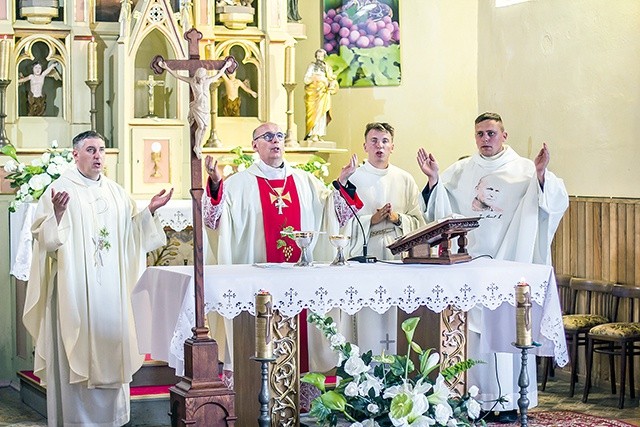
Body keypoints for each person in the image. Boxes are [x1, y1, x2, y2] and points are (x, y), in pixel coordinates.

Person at [417, 112, 568, 423]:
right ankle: (476, 401)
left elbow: (551, 202)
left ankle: (509, 401)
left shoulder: (525, 168)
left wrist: (541, 176)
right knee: (476, 337)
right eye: (480, 134)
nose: (485, 139)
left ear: (504, 135)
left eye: (491, 133)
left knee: (505, 334)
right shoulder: (461, 171)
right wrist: (434, 179)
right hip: (471, 268)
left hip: (510, 265)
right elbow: (441, 209)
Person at [22, 130, 173, 426]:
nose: (98, 156)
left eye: (101, 150)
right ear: (75, 154)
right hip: (73, 292)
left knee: (112, 347)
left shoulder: (117, 193)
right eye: (90, 150)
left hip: (112, 295)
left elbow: (132, 236)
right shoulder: (59, 189)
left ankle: (113, 421)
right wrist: (58, 214)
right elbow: (46, 243)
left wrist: (149, 212)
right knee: (74, 353)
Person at [202, 121, 360, 373]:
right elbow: (213, 222)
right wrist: (214, 183)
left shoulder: (306, 181)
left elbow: (333, 213)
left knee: (302, 339)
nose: (275, 140)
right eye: (267, 136)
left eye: (279, 136)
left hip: (300, 278)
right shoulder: (238, 184)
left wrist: (341, 182)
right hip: (256, 281)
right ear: (254, 145)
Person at [341, 122, 425, 354]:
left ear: (392, 147)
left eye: (385, 141)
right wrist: (371, 220)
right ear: (365, 145)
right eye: (374, 141)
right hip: (366, 255)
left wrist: (398, 218)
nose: (380, 146)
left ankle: (399, 367)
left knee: (396, 316)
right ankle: (364, 368)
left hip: (397, 257)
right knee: (368, 314)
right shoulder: (354, 178)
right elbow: (340, 224)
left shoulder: (405, 179)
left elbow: (421, 223)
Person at [159, 58, 233, 159]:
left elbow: (219, 74)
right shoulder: (192, 82)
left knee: (205, 127)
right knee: (201, 126)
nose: (201, 80)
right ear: (197, 77)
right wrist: (166, 67)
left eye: (202, 78)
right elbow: (177, 76)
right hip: (197, 107)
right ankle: (197, 146)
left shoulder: (207, 81)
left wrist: (226, 66)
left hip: (206, 107)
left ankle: (199, 145)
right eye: (199, 78)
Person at [303, 49, 338, 142]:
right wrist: (314, 78)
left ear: (324, 57)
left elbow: (331, 79)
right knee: (313, 113)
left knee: (321, 114)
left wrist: (330, 83)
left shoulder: (327, 68)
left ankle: (318, 134)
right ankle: (313, 133)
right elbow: (306, 80)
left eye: (321, 57)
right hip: (313, 93)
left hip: (323, 94)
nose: (319, 59)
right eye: (317, 57)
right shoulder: (311, 66)